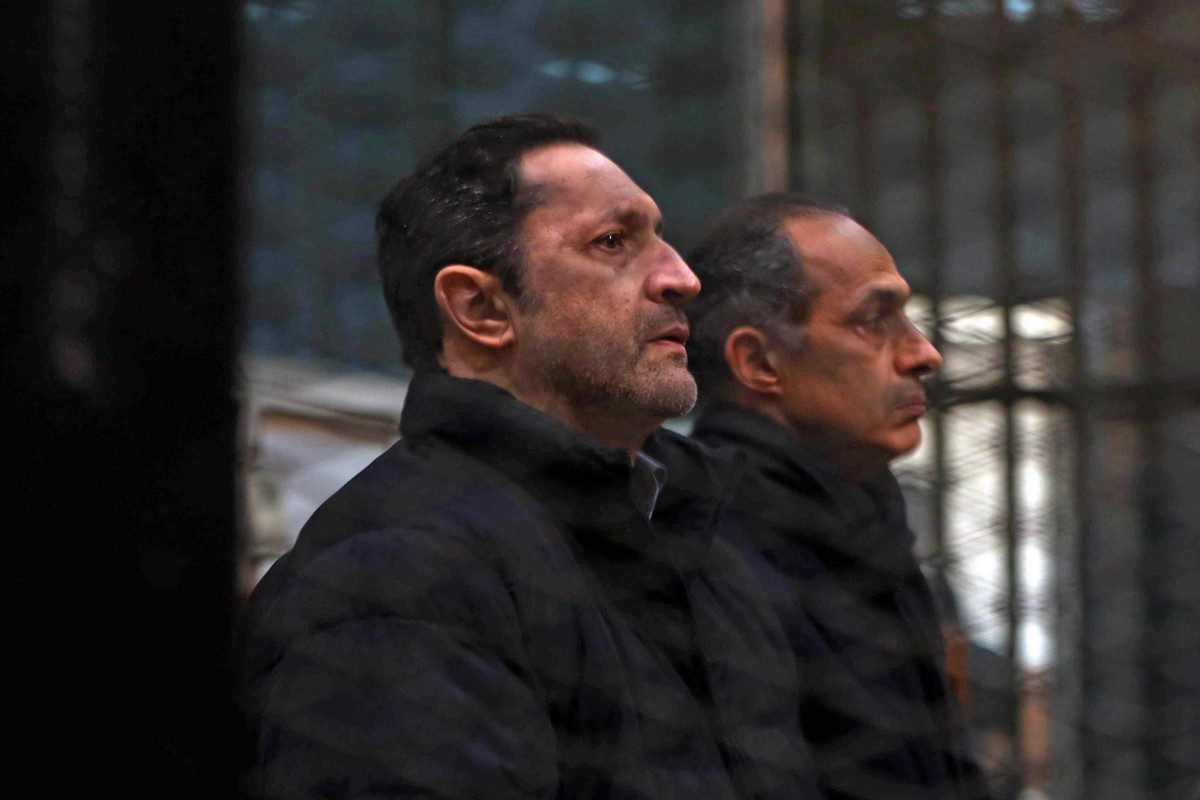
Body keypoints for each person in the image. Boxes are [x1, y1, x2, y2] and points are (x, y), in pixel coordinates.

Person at [244, 116, 816, 800]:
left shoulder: (695, 541)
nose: (682, 278)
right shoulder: (399, 574)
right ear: (481, 307)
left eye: (662, 238)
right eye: (613, 242)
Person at [685, 193, 991, 800]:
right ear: (758, 361)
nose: (923, 353)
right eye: (874, 320)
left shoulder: (859, 512)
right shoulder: (716, 545)